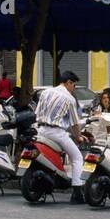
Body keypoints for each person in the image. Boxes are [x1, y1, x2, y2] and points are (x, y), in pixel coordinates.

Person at [34, 72, 87, 203]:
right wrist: (78, 136)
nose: (74, 88)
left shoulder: (45, 92)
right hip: (56, 133)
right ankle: (77, 192)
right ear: (68, 82)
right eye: (74, 85)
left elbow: (37, 113)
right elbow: (74, 123)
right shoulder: (69, 98)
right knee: (77, 157)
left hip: (40, 130)